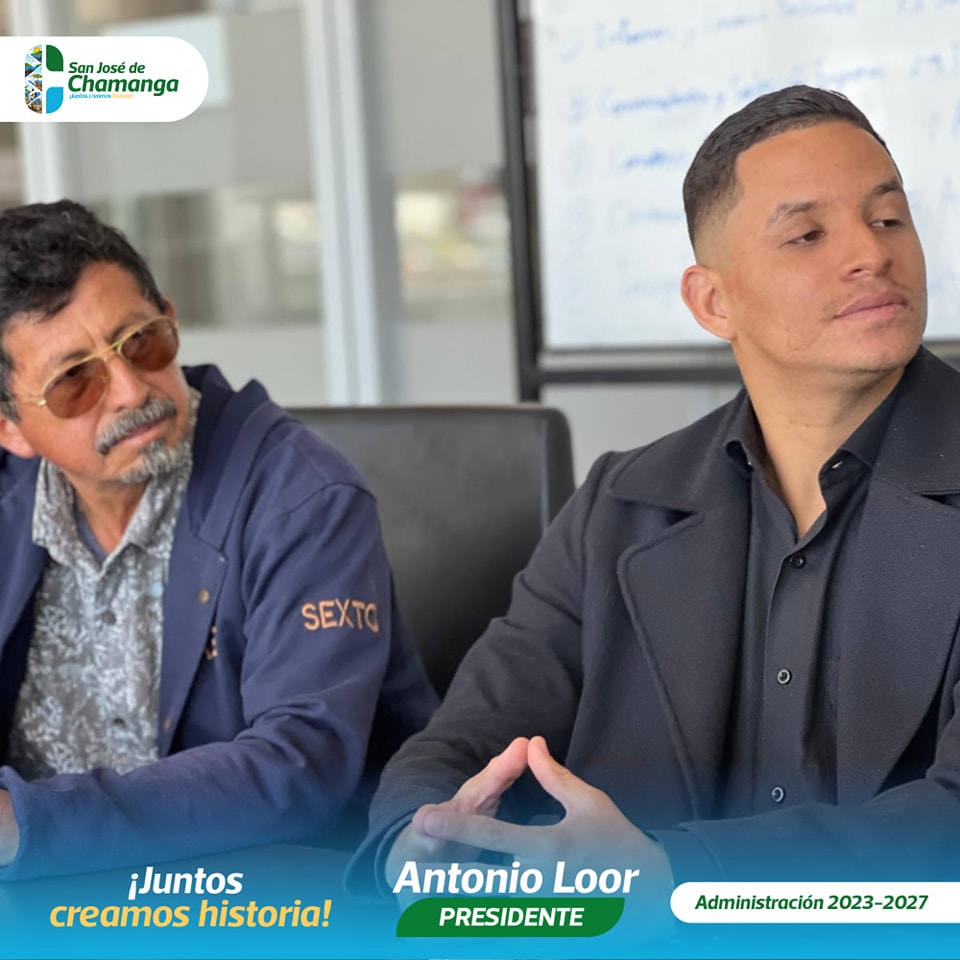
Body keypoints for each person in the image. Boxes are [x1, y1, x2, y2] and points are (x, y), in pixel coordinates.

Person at [349, 85, 960, 899]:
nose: (871, 254)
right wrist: (418, 842)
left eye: (888, 219)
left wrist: (680, 880)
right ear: (713, 301)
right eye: (807, 234)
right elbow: (462, 742)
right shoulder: (621, 504)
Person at [0, 200, 437, 880]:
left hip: (262, 891)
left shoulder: (305, 499)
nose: (129, 391)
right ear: (10, 429)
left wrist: (24, 825)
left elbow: (300, 765)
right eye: (74, 381)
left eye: (140, 342)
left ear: (170, 319)